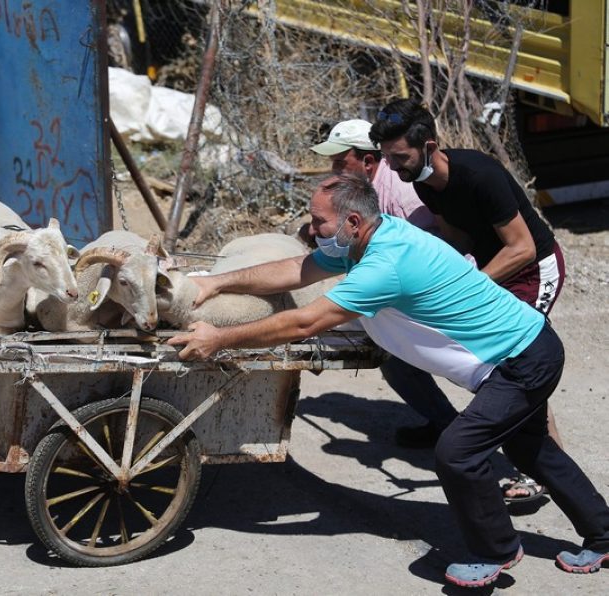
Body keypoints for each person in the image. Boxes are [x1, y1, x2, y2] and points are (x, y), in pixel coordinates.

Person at [168, 173, 609, 588]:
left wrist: (220, 338)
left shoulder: (385, 265)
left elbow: (305, 322)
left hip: (522, 359)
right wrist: (216, 283)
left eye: (319, 220)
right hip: (521, 352)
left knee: (458, 453)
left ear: (353, 221)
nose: (312, 227)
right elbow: (298, 270)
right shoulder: (367, 237)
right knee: (533, 451)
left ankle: (496, 552)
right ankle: (604, 537)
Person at [368, 99, 566, 503]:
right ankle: (514, 449)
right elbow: (457, 237)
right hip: (497, 268)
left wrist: (466, 286)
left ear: (429, 145)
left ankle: (545, 468)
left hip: (533, 267)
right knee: (490, 361)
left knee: (519, 360)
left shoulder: (479, 174)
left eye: (399, 156)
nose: (391, 167)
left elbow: (523, 248)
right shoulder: (422, 181)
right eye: (386, 157)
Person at [309, 118, 438, 234]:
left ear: (368, 162)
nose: (334, 170)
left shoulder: (400, 197)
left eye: (340, 163)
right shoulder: (358, 188)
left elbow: (424, 246)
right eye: (333, 162)